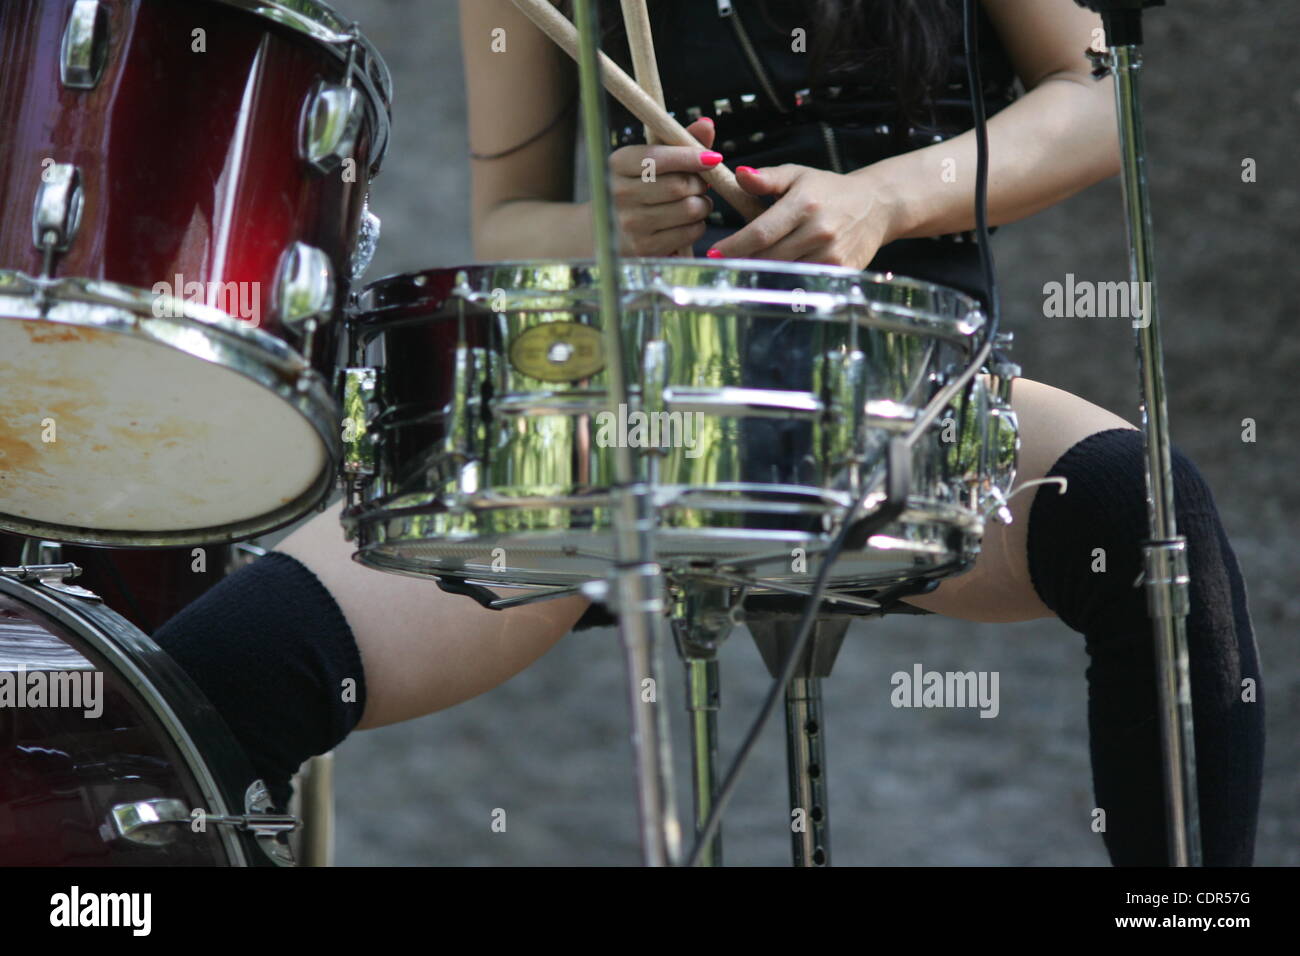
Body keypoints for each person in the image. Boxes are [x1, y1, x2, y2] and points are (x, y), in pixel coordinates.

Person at [155, 0, 1263, 866]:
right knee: (211, 681)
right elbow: (514, 217)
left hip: (909, 393)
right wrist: (620, 223)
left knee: (1147, 520)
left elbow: (1099, 94)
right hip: (635, 411)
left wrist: (881, 197)